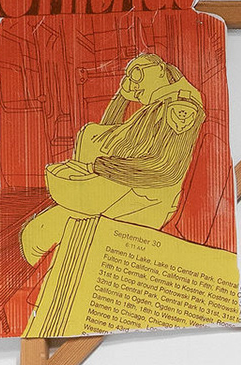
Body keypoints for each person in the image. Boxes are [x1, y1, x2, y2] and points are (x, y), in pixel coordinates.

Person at [19, 51, 206, 264]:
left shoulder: (180, 105)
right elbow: (107, 134)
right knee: (38, 232)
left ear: (161, 70)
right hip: (124, 191)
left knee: (39, 236)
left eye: (137, 74)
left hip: (142, 203)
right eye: (129, 76)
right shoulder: (158, 102)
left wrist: (98, 167)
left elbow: (165, 169)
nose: (133, 84)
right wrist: (122, 97)